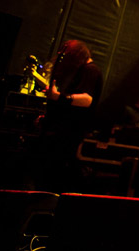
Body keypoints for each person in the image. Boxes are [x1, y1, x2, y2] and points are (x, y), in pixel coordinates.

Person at [38, 39, 103, 191]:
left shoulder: (90, 70)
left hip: (71, 132)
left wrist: (59, 97)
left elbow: (87, 99)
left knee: (57, 173)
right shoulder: (84, 70)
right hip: (65, 131)